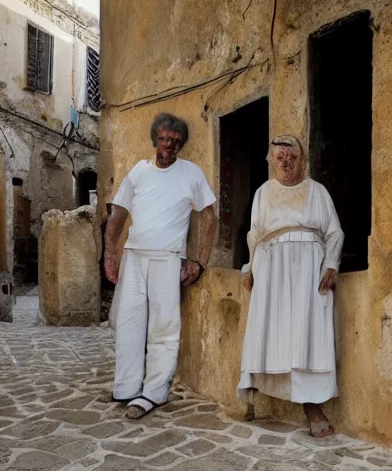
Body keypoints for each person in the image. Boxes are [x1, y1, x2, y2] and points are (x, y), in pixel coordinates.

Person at [103, 112, 217, 419]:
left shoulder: (191, 173)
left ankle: (154, 392)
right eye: (165, 139)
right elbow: (117, 215)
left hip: (167, 259)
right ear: (156, 139)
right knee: (129, 324)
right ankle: (126, 387)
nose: (169, 145)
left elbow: (209, 218)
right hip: (134, 257)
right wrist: (110, 256)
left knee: (164, 328)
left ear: (181, 145)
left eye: (176, 141)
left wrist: (200, 262)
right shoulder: (139, 172)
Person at [237, 134, 344, 437]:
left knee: (307, 335)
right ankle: (257, 391)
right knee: (273, 332)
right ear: (271, 161)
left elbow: (334, 233)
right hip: (271, 270)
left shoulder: (317, 191)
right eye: (280, 157)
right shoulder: (263, 193)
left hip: (310, 270)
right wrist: (250, 269)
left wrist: (331, 264)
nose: (286, 162)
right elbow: (254, 235)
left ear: (302, 160)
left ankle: (312, 407)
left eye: (292, 157)